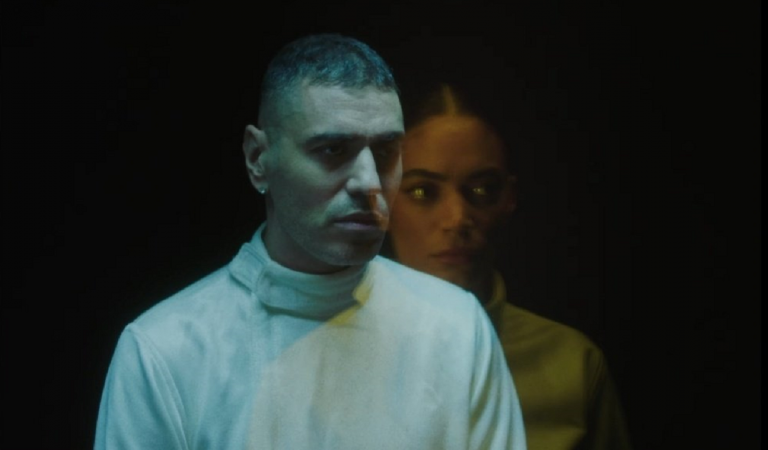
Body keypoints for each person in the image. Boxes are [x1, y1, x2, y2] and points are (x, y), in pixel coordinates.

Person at [94, 35, 526, 449]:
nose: (369, 183)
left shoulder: (457, 329)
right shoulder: (165, 351)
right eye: (333, 150)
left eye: (385, 152)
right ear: (258, 159)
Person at [387, 85, 633, 449]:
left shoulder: (572, 367)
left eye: (483, 189)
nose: (457, 218)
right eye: (423, 191)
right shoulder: (328, 352)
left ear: (509, 199)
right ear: (383, 201)